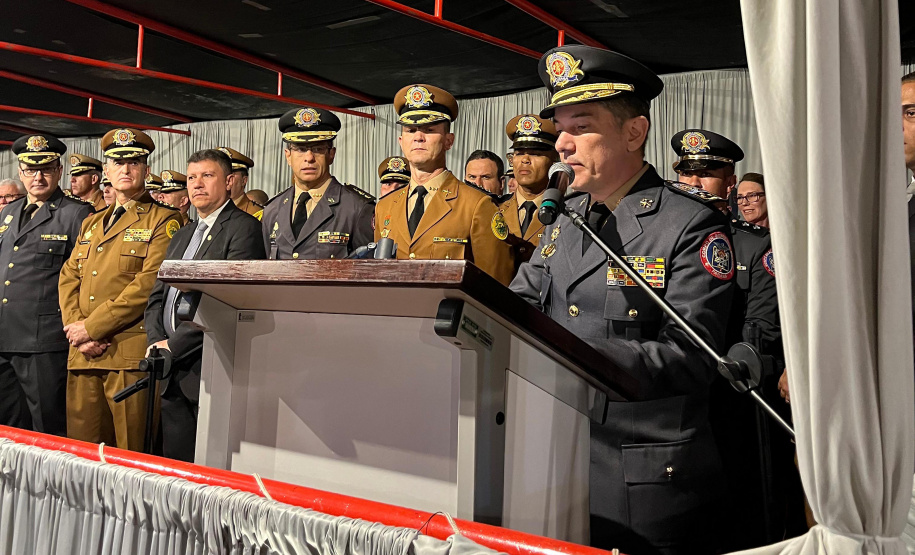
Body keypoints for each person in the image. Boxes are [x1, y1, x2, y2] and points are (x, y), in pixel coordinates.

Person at [510, 46, 734, 554]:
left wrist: (570, 352)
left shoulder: (689, 224)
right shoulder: (563, 218)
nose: (561, 145)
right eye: (559, 129)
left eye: (580, 127)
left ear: (634, 133)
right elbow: (517, 305)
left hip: (641, 473)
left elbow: (693, 354)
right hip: (554, 457)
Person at [671, 129, 791, 548]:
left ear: (730, 181)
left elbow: (762, 323)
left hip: (733, 386)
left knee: (745, 495)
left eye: (708, 173)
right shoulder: (664, 241)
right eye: (688, 172)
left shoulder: (757, 244)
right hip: (676, 386)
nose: (695, 182)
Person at [58, 127, 182, 452]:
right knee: (81, 460)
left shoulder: (163, 220)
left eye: (135, 162)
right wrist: (76, 329)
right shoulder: (91, 222)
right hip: (83, 355)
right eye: (118, 162)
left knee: (131, 459)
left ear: (146, 169)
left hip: (126, 355)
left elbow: (147, 285)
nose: (126, 170)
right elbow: (69, 275)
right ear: (106, 172)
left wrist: (91, 327)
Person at [145, 149, 265, 462]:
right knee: (176, 463)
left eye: (207, 176)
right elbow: (158, 294)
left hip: (209, 364)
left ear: (229, 182)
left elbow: (228, 302)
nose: (197, 184)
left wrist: (173, 344)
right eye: (192, 178)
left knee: (210, 469)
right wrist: (156, 341)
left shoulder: (244, 229)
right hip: (171, 366)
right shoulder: (183, 234)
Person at [0, 134, 93, 435]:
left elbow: (84, 278)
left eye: (47, 169)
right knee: (10, 429)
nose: (38, 177)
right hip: (4, 336)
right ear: (20, 172)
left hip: (44, 341)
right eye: (30, 169)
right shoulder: (8, 213)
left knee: (47, 429)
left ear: (59, 171)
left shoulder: (77, 214)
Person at [374, 84, 513, 285]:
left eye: (429, 130)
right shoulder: (385, 207)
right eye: (411, 130)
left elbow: (496, 284)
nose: (418, 137)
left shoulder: (476, 205)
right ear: (401, 140)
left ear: (449, 140)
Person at [261, 107, 375, 259]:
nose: (309, 157)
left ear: (331, 155)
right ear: (288, 156)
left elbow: (368, 273)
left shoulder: (357, 208)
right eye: (300, 149)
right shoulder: (273, 209)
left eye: (318, 149)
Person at [496, 114, 560, 270]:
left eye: (535, 153)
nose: (525, 160)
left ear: (555, 159)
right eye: (518, 153)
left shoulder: (565, 214)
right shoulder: (493, 208)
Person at [216, 146, 263, 219]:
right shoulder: (211, 209)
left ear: (244, 180)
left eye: (231, 176)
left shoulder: (255, 214)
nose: (225, 180)